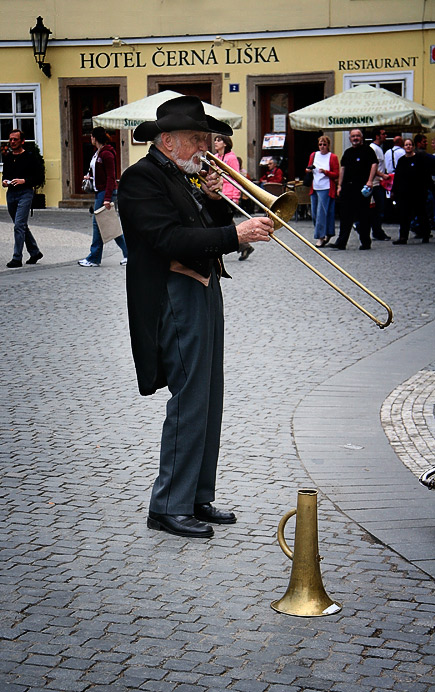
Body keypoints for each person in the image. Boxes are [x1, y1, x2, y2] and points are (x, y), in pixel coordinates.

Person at [117, 95, 273, 539]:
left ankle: (197, 495)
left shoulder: (184, 176)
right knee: (188, 398)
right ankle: (167, 504)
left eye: (207, 139)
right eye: (196, 139)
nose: (206, 147)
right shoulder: (141, 179)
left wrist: (218, 204)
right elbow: (167, 238)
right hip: (173, 294)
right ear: (167, 141)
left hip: (204, 288)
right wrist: (234, 232)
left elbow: (207, 231)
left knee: (209, 394)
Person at [78, 126, 128, 267]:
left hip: (104, 192)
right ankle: (126, 253)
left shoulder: (107, 154)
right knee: (106, 225)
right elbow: (102, 174)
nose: (90, 139)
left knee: (99, 224)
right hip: (100, 191)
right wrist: (91, 177)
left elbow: (111, 177)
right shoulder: (98, 153)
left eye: (92, 136)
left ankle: (94, 258)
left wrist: (107, 198)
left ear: (96, 137)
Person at [328, 129, 378, 251]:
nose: (355, 138)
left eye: (357, 136)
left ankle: (365, 242)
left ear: (361, 138)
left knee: (363, 216)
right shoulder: (348, 152)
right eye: (353, 136)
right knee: (345, 216)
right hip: (347, 188)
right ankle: (341, 242)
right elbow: (342, 169)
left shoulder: (368, 151)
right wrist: (339, 186)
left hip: (362, 188)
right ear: (350, 138)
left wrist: (370, 181)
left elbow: (374, 165)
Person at [2, 129, 43, 268]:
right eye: (11, 139)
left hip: (25, 193)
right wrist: (4, 182)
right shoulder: (7, 157)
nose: (12, 142)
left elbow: (38, 177)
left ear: (22, 141)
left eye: (15, 139)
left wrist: (23, 180)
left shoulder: (30, 157)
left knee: (18, 226)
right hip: (11, 194)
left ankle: (17, 258)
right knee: (21, 226)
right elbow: (5, 175)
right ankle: (35, 252)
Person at [214, 135, 254, 261]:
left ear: (225, 143)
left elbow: (236, 178)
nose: (215, 142)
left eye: (219, 140)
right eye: (215, 140)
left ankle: (242, 246)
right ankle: (243, 246)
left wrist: (236, 196)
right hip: (218, 193)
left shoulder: (231, 158)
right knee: (224, 222)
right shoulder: (215, 157)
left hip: (229, 194)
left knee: (224, 222)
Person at [391, 138, 431, 244]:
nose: (408, 147)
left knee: (421, 213)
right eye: (406, 145)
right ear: (403, 147)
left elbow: (426, 175)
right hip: (405, 193)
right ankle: (403, 237)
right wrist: (394, 191)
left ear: (413, 146)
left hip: (418, 192)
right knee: (404, 215)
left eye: (410, 145)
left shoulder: (419, 159)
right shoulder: (402, 161)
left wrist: (428, 188)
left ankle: (426, 234)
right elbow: (397, 177)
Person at [305, 135, 339, 247]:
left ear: (328, 145)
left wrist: (326, 172)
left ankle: (320, 237)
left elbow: (336, 174)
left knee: (321, 213)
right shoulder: (314, 155)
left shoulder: (332, 157)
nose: (322, 147)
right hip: (315, 187)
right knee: (314, 213)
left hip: (326, 188)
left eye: (324, 144)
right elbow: (308, 168)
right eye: (320, 144)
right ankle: (327, 233)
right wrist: (309, 170)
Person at [367, 128, 391, 240]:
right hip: (375, 183)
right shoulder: (373, 149)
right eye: (383, 134)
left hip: (380, 183)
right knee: (376, 209)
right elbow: (372, 166)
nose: (385, 136)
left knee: (378, 209)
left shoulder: (379, 149)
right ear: (377, 136)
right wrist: (383, 175)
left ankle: (377, 230)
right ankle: (377, 231)